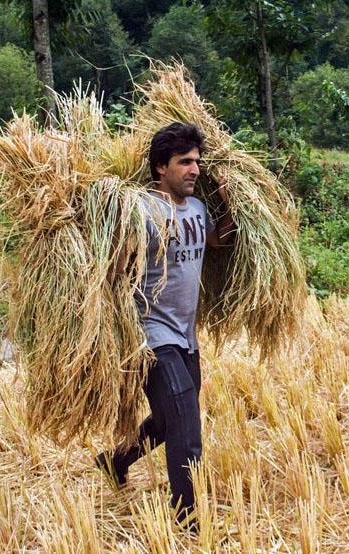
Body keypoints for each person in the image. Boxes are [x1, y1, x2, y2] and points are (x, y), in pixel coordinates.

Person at [97, 122, 235, 528]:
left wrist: (227, 204)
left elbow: (217, 242)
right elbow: (114, 273)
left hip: (186, 335)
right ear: (161, 167)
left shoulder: (196, 208)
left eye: (197, 162)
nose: (194, 169)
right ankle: (187, 522)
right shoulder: (141, 210)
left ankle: (115, 461)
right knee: (187, 431)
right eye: (184, 162)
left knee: (167, 418)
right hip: (152, 336)